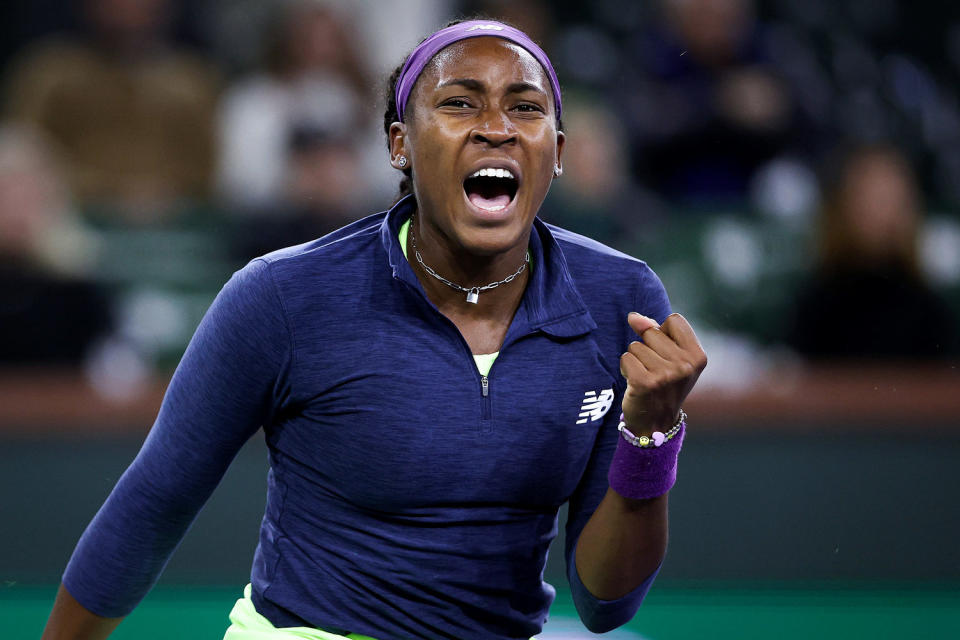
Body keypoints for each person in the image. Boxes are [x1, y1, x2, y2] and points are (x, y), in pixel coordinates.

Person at [41, 19, 706, 640]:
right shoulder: (281, 295)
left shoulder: (621, 299)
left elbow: (604, 604)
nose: (496, 128)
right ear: (400, 146)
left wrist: (650, 436)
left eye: (525, 107)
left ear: (555, 153)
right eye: (460, 103)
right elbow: (153, 504)